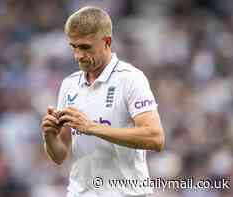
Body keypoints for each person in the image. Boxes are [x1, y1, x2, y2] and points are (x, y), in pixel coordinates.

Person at [41, 6, 165, 197]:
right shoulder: (69, 84)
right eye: (73, 46)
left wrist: (92, 128)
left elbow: (155, 138)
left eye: (85, 47)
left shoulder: (131, 78)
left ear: (106, 41)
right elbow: (60, 155)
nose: (78, 55)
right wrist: (50, 137)